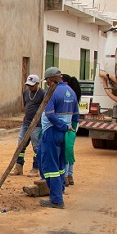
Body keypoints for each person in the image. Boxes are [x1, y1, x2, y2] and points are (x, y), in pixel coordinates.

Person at [36, 67, 79, 209]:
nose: (47, 83)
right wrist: (70, 131)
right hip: (64, 134)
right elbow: (76, 115)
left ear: (50, 79)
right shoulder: (71, 92)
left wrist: (62, 126)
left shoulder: (52, 92)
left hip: (52, 132)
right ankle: (60, 190)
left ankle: (56, 200)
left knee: (50, 166)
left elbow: (49, 114)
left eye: (47, 81)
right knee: (60, 166)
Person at [11, 74, 45, 177]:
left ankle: (36, 168)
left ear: (37, 84)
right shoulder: (26, 92)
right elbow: (26, 105)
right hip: (26, 123)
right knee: (20, 145)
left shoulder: (42, 93)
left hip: (37, 124)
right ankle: (19, 166)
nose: (30, 87)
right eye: (28, 85)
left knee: (36, 147)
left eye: (32, 85)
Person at [61, 74, 82, 186]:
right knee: (69, 149)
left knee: (66, 150)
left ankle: (66, 176)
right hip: (73, 124)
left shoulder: (68, 95)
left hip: (69, 124)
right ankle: (69, 175)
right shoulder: (74, 95)